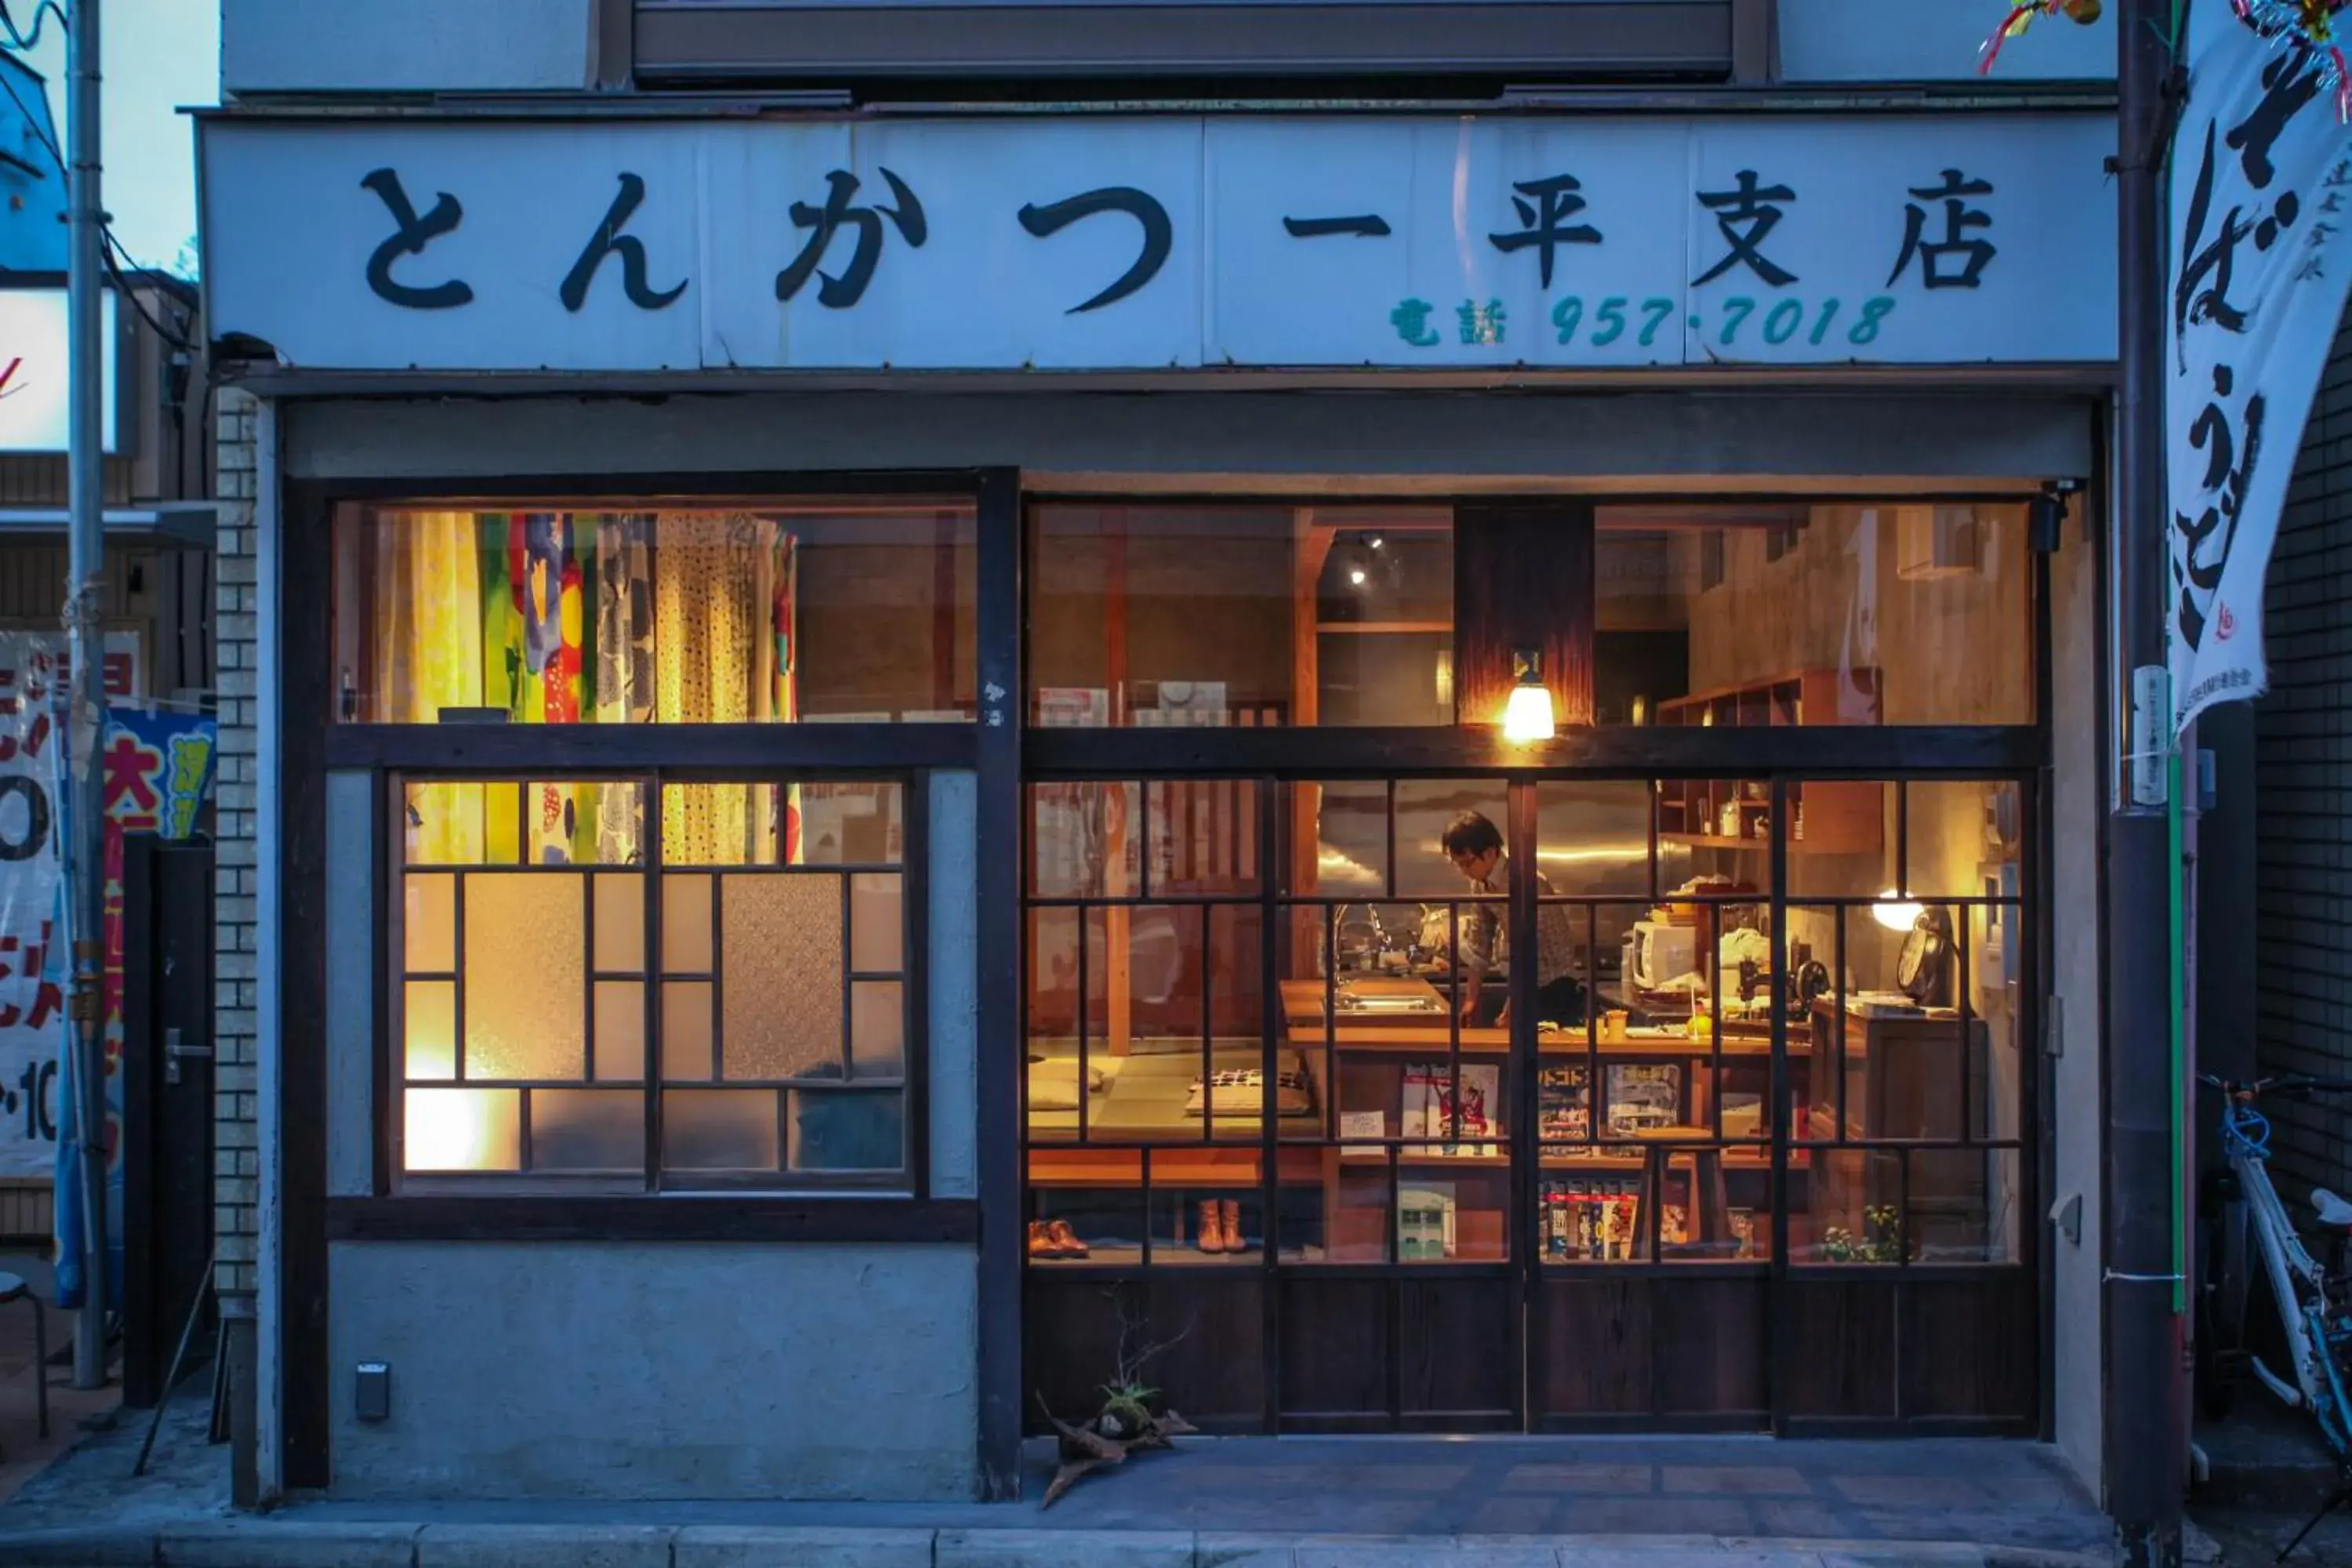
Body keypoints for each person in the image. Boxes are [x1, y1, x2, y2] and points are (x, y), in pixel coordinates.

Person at [1438, 810, 1585, 1029]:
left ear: (1489, 853)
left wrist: (1513, 1006)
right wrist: (1470, 999)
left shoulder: (1526, 882)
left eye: (1467, 863)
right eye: (1457, 864)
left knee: (1537, 1057)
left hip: (1553, 984)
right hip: (1525, 982)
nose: (1463, 871)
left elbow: (1530, 953)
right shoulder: (1481, 884)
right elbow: (1480, 945)